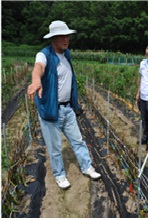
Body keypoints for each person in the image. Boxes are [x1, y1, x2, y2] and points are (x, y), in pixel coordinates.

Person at [27, 20, 101, 189]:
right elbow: (38, 67)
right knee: (55, 148)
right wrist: (36, 80)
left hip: (67, 109)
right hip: (51, 111)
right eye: (61, 36)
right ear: (53, 38)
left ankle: (87, 167)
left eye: (67, 36)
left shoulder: (66, 55)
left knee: (78, 140)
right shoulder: (44, 54)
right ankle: (60, 175)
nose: (65, 40)